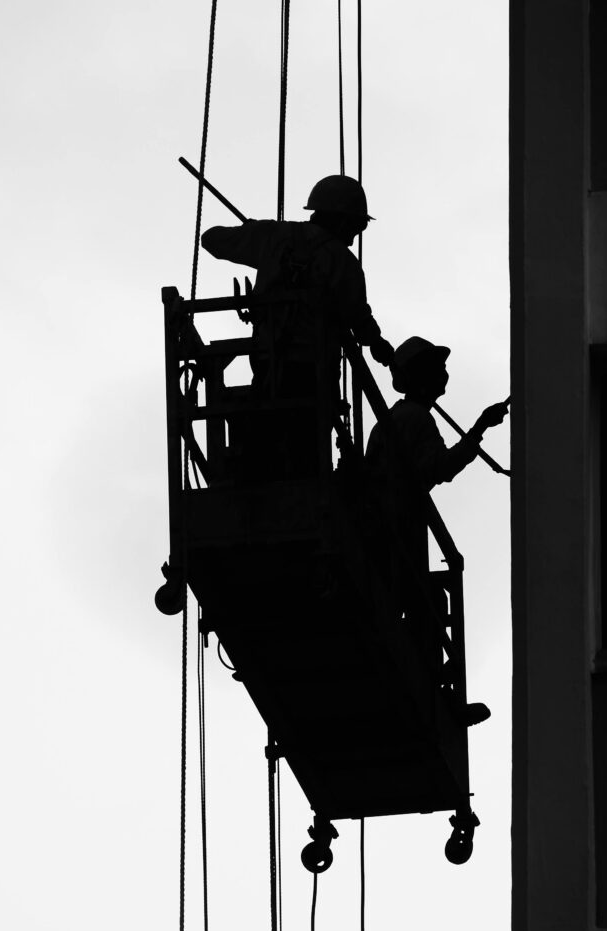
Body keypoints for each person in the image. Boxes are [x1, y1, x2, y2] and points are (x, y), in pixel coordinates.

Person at [201, 175, 394, 479]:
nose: (356, 236)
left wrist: (254, 234)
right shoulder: (343, 263)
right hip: (313, 374)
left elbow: (211, 239)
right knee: (307, 454)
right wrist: (379, 344)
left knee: (267, 444)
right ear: (343, 220)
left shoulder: (275, 236)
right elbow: (359, 319)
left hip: (268, 368)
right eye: (358, 227)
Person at [365, 336, 508, 659]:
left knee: (420, 601)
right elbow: (440, 468)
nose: (445, 374)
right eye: (438, 368)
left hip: (385, 531)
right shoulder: (416, 418)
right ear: (423, 376)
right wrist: (481, 426)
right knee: (427, 604)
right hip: (396, 533)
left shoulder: (398, 417)